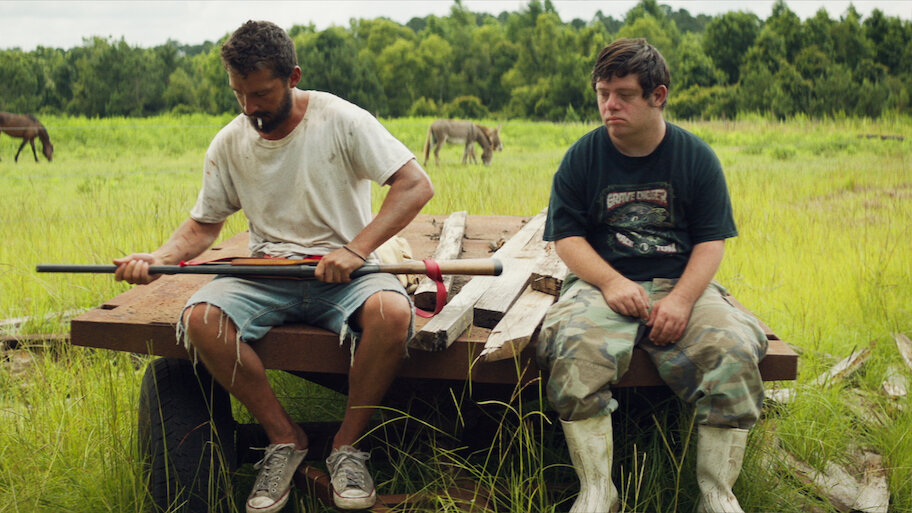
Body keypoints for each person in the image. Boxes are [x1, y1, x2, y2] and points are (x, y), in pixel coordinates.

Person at [113, 20, 433, 513]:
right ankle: (285, 439)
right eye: (239, 94)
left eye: (260, 93)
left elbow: (415, 184)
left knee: (391, 314)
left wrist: (353, 249)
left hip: (342, 272)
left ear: (293, 77)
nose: (249, 107)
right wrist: (157, 260)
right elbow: (202, 226)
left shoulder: (341, 119)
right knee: (201, 318)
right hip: (267, 271)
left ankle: (346, 448)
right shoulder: (230, 142)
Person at [537, 38, 768, 513]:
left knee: (734, 348)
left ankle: (716, 493)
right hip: (601, 284)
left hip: (679, 282)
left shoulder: (695, 157)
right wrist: (611, 282)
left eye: (623, 94)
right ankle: (598, 490)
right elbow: (567, 239)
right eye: (603, 93)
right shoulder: (583, 157)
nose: (609, 105)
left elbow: (710, 242)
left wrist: (682, 301)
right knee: (573, 344)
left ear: (657, 96)